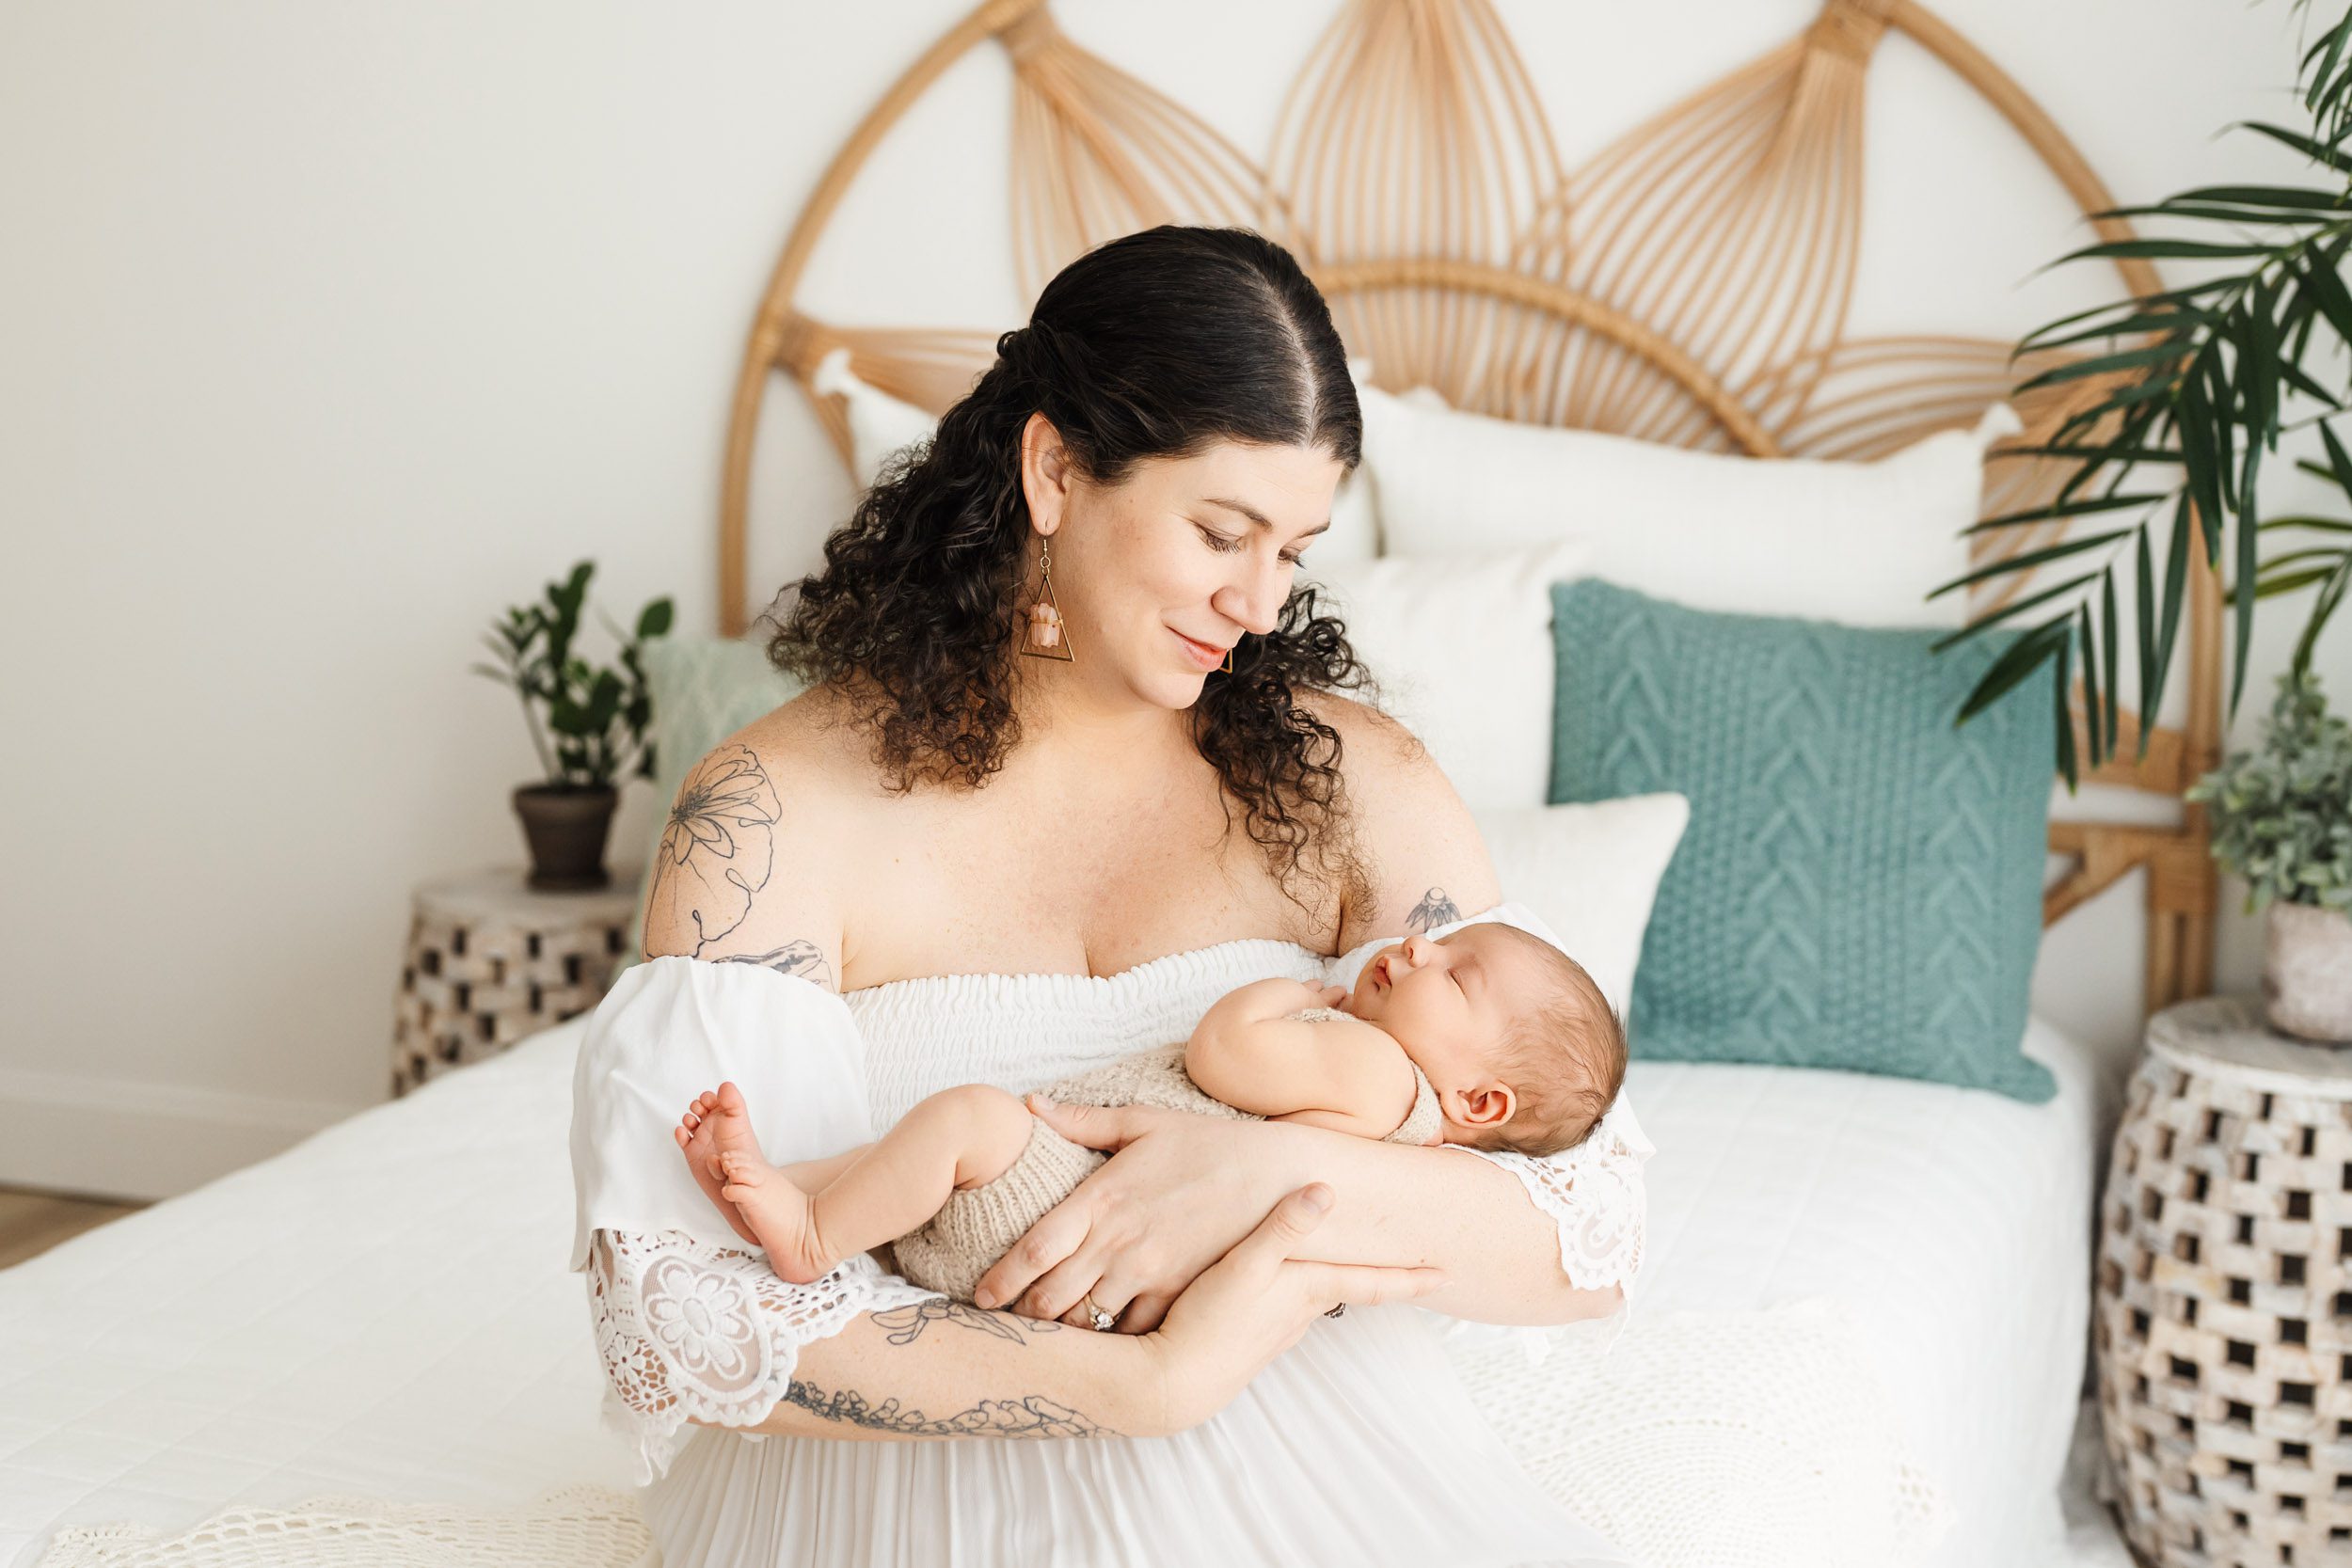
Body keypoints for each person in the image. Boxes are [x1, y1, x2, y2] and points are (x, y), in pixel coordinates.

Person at [567, 224, 1654, 1567]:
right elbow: (673, 1324)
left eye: (1295, 551)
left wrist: (1285, 1167)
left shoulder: (1353, 784)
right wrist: (1142, 1388)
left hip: (1316, 1472)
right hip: (902, 1507)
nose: (1259, 604)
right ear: (1054, 469)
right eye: (1220, 531)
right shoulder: (775, 809)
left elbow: (1583, 1238)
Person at [670, 919, 1628, 1298]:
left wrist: (1283, 993)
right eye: (1437, 940)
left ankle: (808, 1232)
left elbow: (1223, 1052)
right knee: (926, 1148)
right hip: (1086, 1208)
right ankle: (779, 1188)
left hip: (1075, 1197)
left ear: (1480, 1098)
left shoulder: (1377, 1073)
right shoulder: (1389, 1101)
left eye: (1453, 972)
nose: (1415, 947)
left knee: (964, 1119)